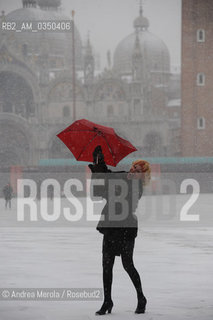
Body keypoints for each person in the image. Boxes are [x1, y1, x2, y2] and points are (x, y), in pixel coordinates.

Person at [88, 146, 151, 315]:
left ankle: (141, 297)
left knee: (127, 264)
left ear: (142, 175)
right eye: (133, 167)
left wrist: (110, 181)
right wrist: (99, 164)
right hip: (110, 226)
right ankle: (107, 301)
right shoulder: (123, 176)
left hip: (126, 227)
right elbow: (107, 178)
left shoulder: (137, 186)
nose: (133, 170)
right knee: (106, 265)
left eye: (137, 170)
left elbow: (121, 195)